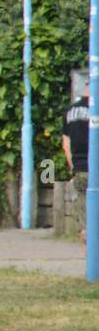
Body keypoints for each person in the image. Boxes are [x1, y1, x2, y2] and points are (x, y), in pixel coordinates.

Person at [63, 81, 90, 243]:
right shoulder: (95, 109)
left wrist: (74, 168)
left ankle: (90, 263)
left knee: (86, 222)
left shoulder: (70, 111)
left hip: (80, 169)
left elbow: (66, 144)